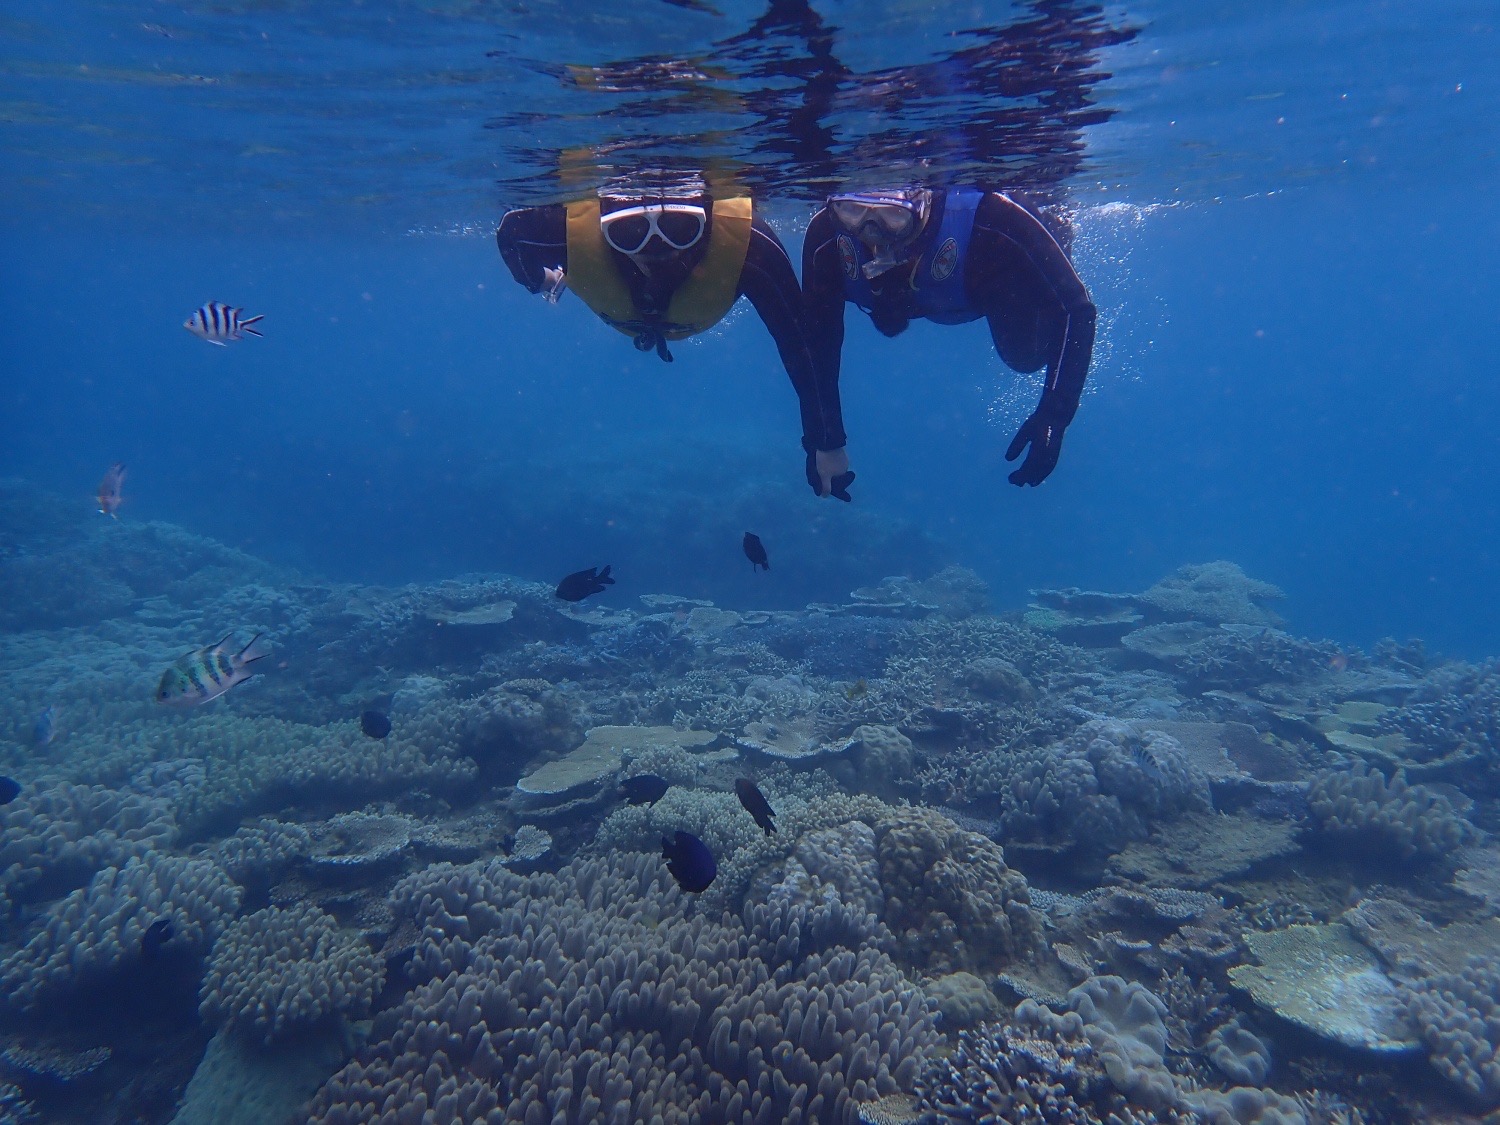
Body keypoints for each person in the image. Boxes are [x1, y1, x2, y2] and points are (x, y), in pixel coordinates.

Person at [496, 180, 847, 496]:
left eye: (680, 228)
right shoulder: (570, 232)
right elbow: (511, 231)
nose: (656, 247)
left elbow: (800, 345)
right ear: (604, 227)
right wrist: (536, 279)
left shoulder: (750, 246)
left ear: (706, 221)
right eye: (631, 230)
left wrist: (826, 442)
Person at [801, 186, 1097, 492]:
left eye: (893, 215)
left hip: (988, 283)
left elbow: (1076, 310)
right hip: (940, 293)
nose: (873, 232)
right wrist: (826, 439)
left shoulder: (992, 218)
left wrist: (1054, 416)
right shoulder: (827, 234)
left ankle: (1055, 232)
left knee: (1025, 358)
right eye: (853, 212)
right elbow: (817, 340)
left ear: (927, 205)